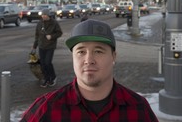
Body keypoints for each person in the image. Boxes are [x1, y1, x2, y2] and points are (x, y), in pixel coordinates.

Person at [21, 19, 158, 121]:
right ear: (73, 57)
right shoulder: (46, 109)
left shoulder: (138, 108)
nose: (88, 59)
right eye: (81, 52)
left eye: (98, 51)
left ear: (113, 57)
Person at [31, 8, 63, 88]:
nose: (43, 16)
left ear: (48, 15)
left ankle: (53, 77)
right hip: (41, 46)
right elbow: (37, 35)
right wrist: (34, 47)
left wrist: (51, 36)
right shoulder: (40, 23)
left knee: (48, 62)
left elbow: (59, 33)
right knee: (42, 64)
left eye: (45, 15)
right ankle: (46, 79)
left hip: (50, 46)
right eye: (42, 15)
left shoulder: (54, 23)